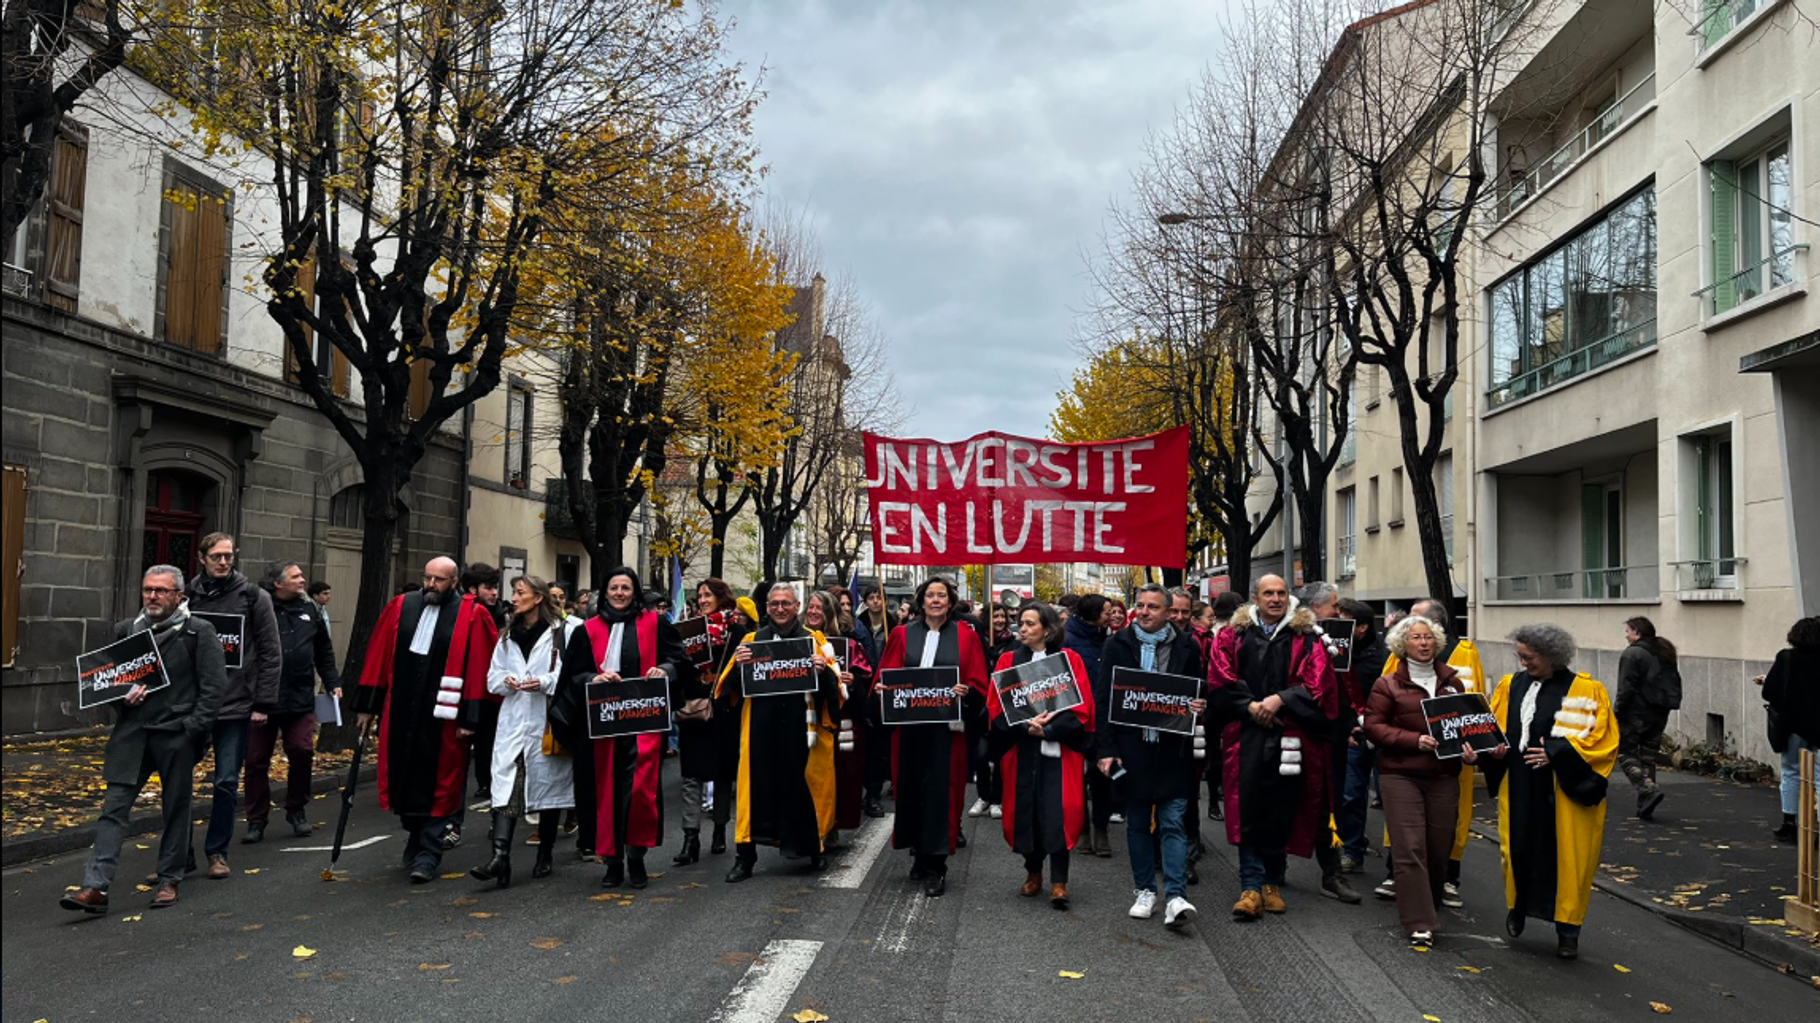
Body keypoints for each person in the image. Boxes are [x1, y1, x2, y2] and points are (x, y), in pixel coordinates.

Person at [61, 565, 228, 914]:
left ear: (179, 596)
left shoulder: (199, 632)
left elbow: (213, 689)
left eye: (161, 591)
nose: (152, 596)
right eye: (148, 589)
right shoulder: (126, 631)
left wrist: (191, 729)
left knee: (176, 808)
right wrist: (122, 698)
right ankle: (95, 888)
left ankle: (169, 879)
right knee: (113, 810)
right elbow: (104, 682)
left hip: (175, 734)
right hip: (131, 736)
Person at [354, 556, 499, 883]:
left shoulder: (473, 615)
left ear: (455, 582)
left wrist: (471, 718)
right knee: (404, 779)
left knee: (441, 783)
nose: (431, 585)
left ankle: (429, 853)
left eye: (439, 580)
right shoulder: (401, 607)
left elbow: (480, 668)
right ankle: (416, 835)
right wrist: (368, 707)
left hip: (444, 718)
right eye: (428, 578)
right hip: (402, 711)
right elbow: (378, 656)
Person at [1478, 623, 1617, 960]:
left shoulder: (1584, 690)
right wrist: (1491, 750)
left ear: (1552, 656)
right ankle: (1518, 908)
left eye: (1530, 657)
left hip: (1564, 789)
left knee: (1570, 860)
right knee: (1516, 848)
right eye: (1521, 656)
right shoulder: (1511, 686)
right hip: (1520, 783)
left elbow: (1601, 740)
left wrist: (1555, 754)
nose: (1523, 662)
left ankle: (1568, 931)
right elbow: (1495, 731)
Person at [1207, 574, 1336, 922]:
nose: (1275, 599)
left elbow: (1319, 684)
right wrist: (1251, 706)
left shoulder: (1306, 638)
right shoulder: (1233, 635)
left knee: (1282, 807)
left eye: (1281, 593)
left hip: (1289, 734)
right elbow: (1219, 678)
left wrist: (1280, 699)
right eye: (1268, 593)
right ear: (1255, 598)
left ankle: (1272, 882)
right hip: (1245, 735)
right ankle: (1250, 886)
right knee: (1247, 807)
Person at [556, 566, 692, 888]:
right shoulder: (586, 631)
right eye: (613, 588)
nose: (619, 593)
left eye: (625, 588)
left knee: (638, 793)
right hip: (601, 726)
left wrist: (666, 670)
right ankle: (612, 862)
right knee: (605, 794)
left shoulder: (656, 624)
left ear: (635, 593)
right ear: (605, 592)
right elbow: (571, 678)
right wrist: (593, 678)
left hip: (643, 724)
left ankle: (636, 857)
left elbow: (681, 661)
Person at [1097, 584, 1207, 929]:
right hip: (1133, 750)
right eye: (1140, 605)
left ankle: (1175, 895)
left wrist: (1199, 705)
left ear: (1167, 612)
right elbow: (1104, 701)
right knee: (1139, 823)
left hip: (1173, 749)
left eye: (1152, 607)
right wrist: (1106, 749)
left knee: (1174, 822)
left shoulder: (1187, 646)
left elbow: (1200, 690)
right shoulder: (1117, 644)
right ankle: (1145, 890)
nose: (1144, 612)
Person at [719, 585, 844, 881]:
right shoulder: (751, 641)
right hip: (760, 727)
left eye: (785, 603)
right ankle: (744, 857)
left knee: (802, 789)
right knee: (754, 791)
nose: (779, 608)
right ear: (767, 606)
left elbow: (837, 689)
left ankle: (814, 850)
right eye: (774, 603)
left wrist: (823, 670)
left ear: (796, 605)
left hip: (801, 728)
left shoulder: (814, 641)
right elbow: (727, 690)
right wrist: (739, 665)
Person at [876, 576, 990, 897]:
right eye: (930, 595)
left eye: (942, 595)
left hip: (946, 733)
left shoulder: (966, 638)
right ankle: (919, 854)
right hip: (909, 731)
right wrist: (883, 691)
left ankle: (937, 865)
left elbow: (980, 684)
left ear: (951, 601)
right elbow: (885, 678)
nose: (936, 601)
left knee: (942, 794)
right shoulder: (901, 634)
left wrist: (966, 694)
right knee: (911, 790)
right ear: (921, 601)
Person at [1362, 615, 1467, 948]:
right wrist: (1413, 740)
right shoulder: (1387, 684)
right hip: (1400, 774)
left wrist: (1471, 748)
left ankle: (1428, 905)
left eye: (1428, 638)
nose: (1423, 643)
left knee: (1439, 850)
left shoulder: (1454, 684)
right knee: (1409, 847)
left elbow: (1464, 728)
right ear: (1402, 645)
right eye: (1416, 638)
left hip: (1444, 776)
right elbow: (1373, 727)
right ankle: (1419, 921)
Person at [1375, 598, 1486, 909]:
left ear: (1434, 628)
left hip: (1450, 759)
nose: (1409, 627)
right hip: (1408, 755)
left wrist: (1473, 745)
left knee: (1447, 823)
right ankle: (1397, 875)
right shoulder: (1398, 657)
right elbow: (1381, 699)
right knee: (1405, 822)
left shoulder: (1465, 655)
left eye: (1416, 622)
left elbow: (1474, 703)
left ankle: (1448, 879)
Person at [185, 532, 282, 881]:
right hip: (192, 705)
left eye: (228, 555)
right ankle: (179, 856)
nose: (224, 562)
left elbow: (271, 653)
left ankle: (217, 853)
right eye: (216, 556)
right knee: (179, 781)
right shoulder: (188, 595)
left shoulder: (253, 597)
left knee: (225, 781)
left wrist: (263, 703)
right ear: (202, 558)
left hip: (235, 706)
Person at [470, 575, 576, 888]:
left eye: (520, 593)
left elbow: (573, 675)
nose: (513, 599)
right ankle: (499, 858)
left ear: (538, 598)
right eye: (513, 593)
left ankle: (545, 852)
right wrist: (507, 682)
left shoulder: (565, 632)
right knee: (507, 787)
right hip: (513, 720)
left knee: (547, 788)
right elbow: (492, 677)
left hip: (546, 721)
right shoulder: (507, 636)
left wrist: (543, 682)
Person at [991, 601, 1095, 909]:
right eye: (1020, 622)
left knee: (1060, 812)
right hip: (1021, 750)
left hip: (1059, 749)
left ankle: (1059, 882)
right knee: (1026, 814)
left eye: (1030, 623)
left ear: (1048, 630)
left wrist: (1048, 730)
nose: (1022, 628)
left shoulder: (1069, 659)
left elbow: (1082, 706)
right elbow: (997, 705)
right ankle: (1033, 872)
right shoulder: (1008, 660)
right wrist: (1026, 726)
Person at [244, 562, 341, 843]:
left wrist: (332, 682)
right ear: (278, 583)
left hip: (299, 697)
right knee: (255, 760)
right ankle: (256, 819)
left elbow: (323, 650)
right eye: (296, 576)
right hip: (262, 699)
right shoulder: (259, 608)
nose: (302, 580)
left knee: (301, 750)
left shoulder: (310, 609)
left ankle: (296, 809)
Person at [1296, 581, 1361, 905]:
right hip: (1295, 734)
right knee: (1283, 803)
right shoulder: (1293, 640)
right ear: (1316, 608)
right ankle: (1269, 872)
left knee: (1326, 806)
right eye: (1333, 606)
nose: (1337, 612)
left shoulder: (1330, 642)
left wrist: (1350, 723)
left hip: (1328, 739)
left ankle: (1332, 873)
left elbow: (1342, 688)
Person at [674, 578, 738, 864]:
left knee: (722, 774)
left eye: (707, 595)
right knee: (691, 776)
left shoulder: (735, 629)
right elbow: (676, 666)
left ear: (721, 597)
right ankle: (691, 838)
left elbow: (739, 668)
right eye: (699, 595)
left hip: (723, 709)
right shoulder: (686, 630)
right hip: (693, 708)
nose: (702, 600)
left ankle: (720, 831)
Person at [804, 589, 876, 837]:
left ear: (830, 612)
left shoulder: (850, 644)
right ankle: (813, 824)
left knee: (844, 771)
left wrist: (853, 680)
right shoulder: (799, 642)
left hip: (845, 720)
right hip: (810, 718)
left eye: (819, 608)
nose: (813, 612)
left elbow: (868, 681)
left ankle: (834, 823)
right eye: (810, 607)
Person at [1334, 597, 1387, 873]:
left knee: (1388, 796)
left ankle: (1397, 861)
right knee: (1351, 794)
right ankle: (1352, 850)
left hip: (1382, 736)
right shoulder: (1337, 652)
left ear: (1362, 628)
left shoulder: (1385, 655)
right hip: (1354, 734)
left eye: (1341, 621)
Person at [1761, 617, 1820, 841]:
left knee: (1791, 771)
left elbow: (1770, 692)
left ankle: (1789, 823)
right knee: (1819, 776)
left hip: (1793, 725)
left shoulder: (1786, 658)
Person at [1616, 616, 1680, 820]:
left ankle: (1647, 789)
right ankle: (1646, 804)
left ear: (1636, 631)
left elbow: (1625, 687)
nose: (1626, 636)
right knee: (1648, 758)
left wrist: (1617, 712)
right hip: (1660, 711)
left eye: (1627, 631)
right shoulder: (1664, 650)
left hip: (1637, 711)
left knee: (1624, 752)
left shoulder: (1633, 653)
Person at [1064, 594, 1114, 856]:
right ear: (1093, 614)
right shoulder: (1067, 641)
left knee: (1103, 776)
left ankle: (1101, 829)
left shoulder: (1108, 640)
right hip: (1077, 721)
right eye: (1106, 611)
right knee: (1076, 779)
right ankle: (1082, 828)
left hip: (1103, 720)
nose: (1111, 616)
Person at [460, 562, 507, 818]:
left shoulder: (497, 613)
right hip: (469, 685)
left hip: (491, 688)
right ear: (472, 589)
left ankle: (488, 782)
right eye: (489, 588)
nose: (494, 593)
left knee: (489, 739)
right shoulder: (471, 613)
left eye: (495, 588)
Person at [1203, 591, 1243, 822]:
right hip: (1226, 697)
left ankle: (1213, 802)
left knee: (1214, 752)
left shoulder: (1213, 631)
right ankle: (1224, 798)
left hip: (1213, 698)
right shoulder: (1234, 632)